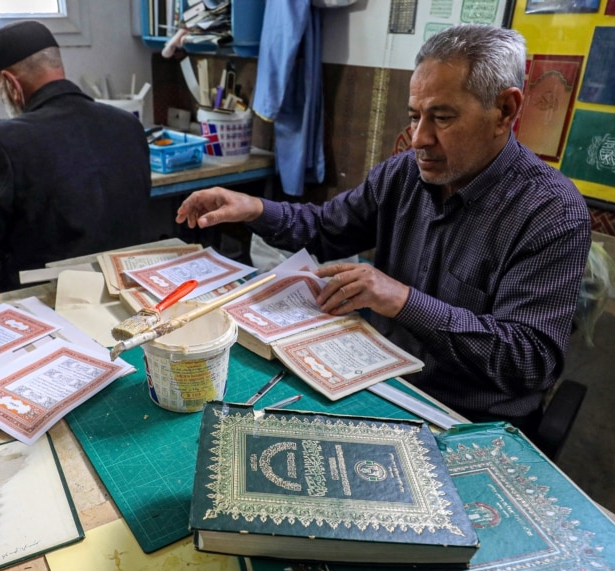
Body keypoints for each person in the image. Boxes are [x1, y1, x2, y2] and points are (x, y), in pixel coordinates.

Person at [176, 24, 591, 432]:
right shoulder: (406, 174)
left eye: (442, 118)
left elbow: (528, 360)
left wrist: (402, 300)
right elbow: (326, 229)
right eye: (415, 116)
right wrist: (253, 209)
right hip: (380, 382)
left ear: (505, 110)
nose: (419, 139)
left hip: (467, 420)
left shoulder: (551, 213)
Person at [0, 20, 151, 292]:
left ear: (10, 84)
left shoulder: (1, 140)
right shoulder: (128, 124)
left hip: (49, 297)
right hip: (125, 287)